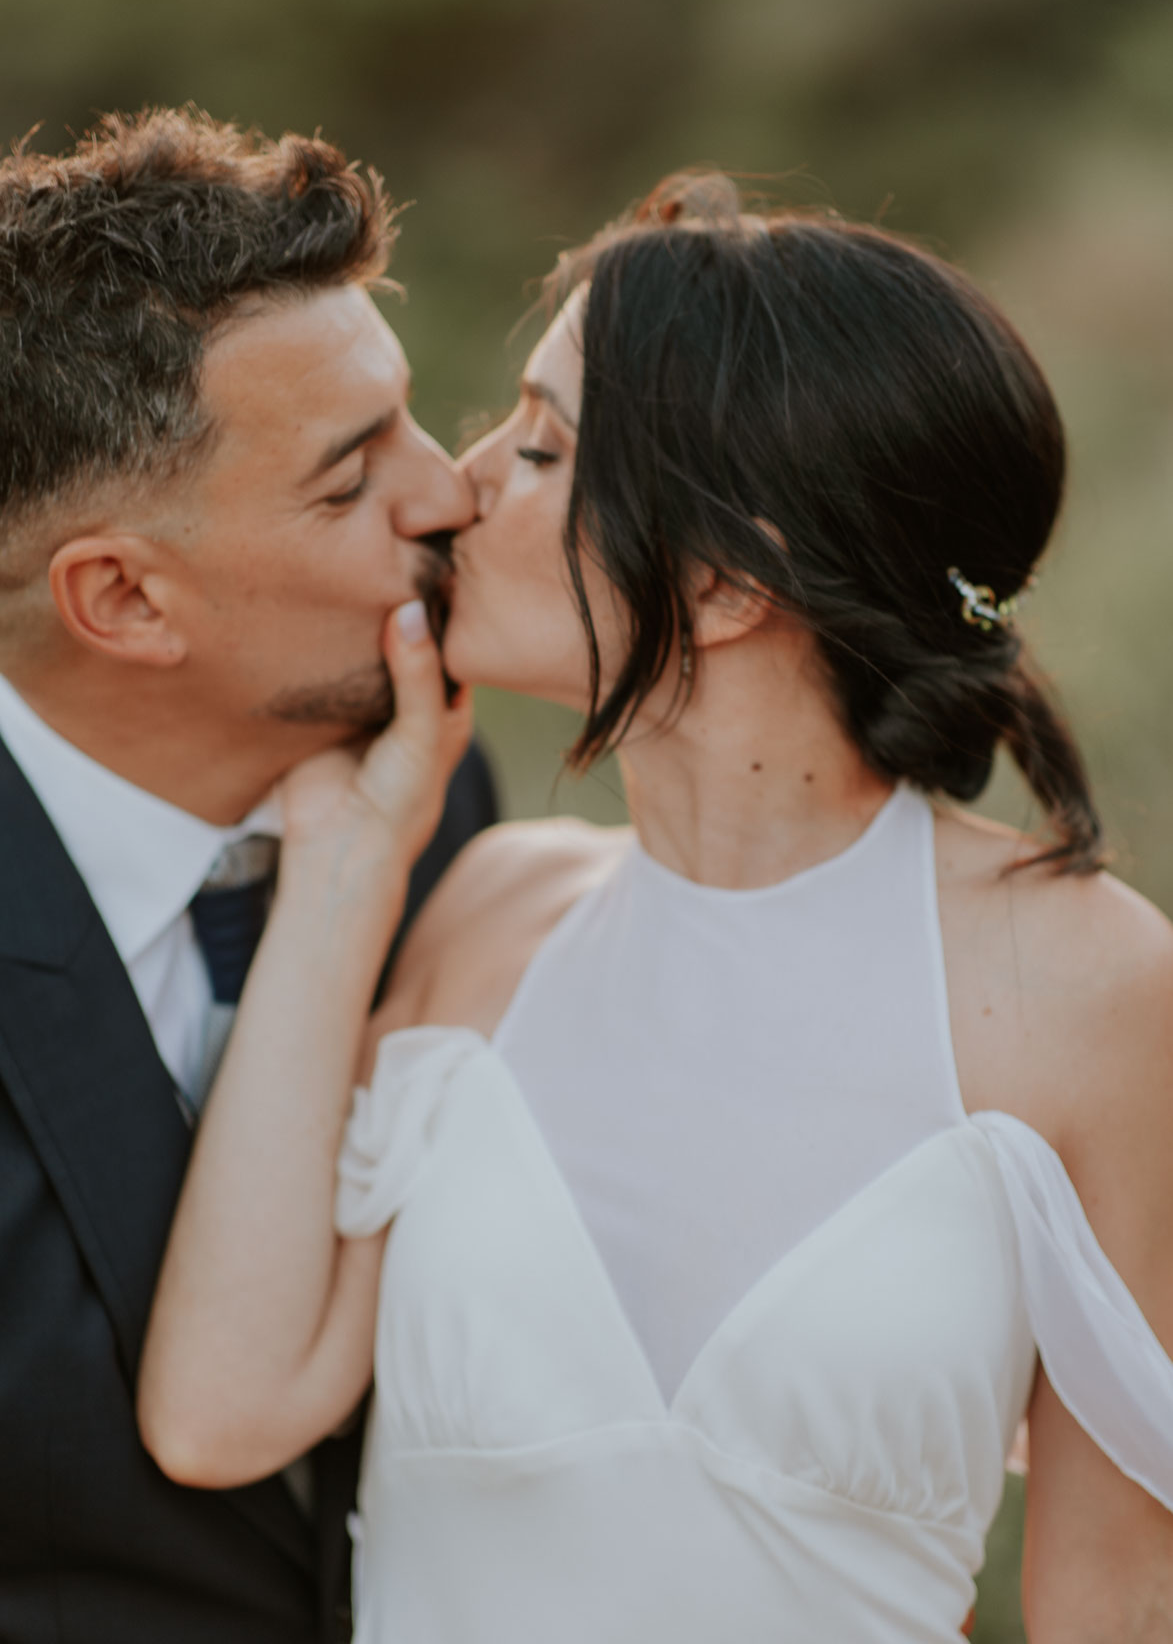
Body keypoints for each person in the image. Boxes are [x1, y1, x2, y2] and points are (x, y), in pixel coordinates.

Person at [140, 173, 1173, 1641]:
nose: (462, 483)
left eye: (544, 446)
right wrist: (353, 863)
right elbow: (221, 1411)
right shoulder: (487, 915)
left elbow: (1120, 1593)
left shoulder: (1085, 984)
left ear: (733, 579)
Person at [0, 107, 496, 1644]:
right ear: (128, 598)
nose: (452, 495)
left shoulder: (437, 789)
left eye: (413, 420)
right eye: (351, 484)